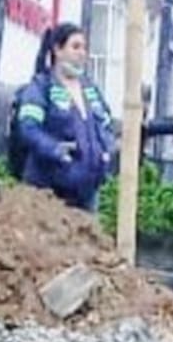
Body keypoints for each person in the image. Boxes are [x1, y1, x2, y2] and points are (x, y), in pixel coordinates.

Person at [15, 23, 115, 212]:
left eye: (84, 48)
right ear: (58, 50)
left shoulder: (91, 91)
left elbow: (107, 127)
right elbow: (28, 128)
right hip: (48, 192)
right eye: (75, 47)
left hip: (87, 194)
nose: (82, 53)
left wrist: (106, 151)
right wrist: (54, 149)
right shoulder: (41, 86)